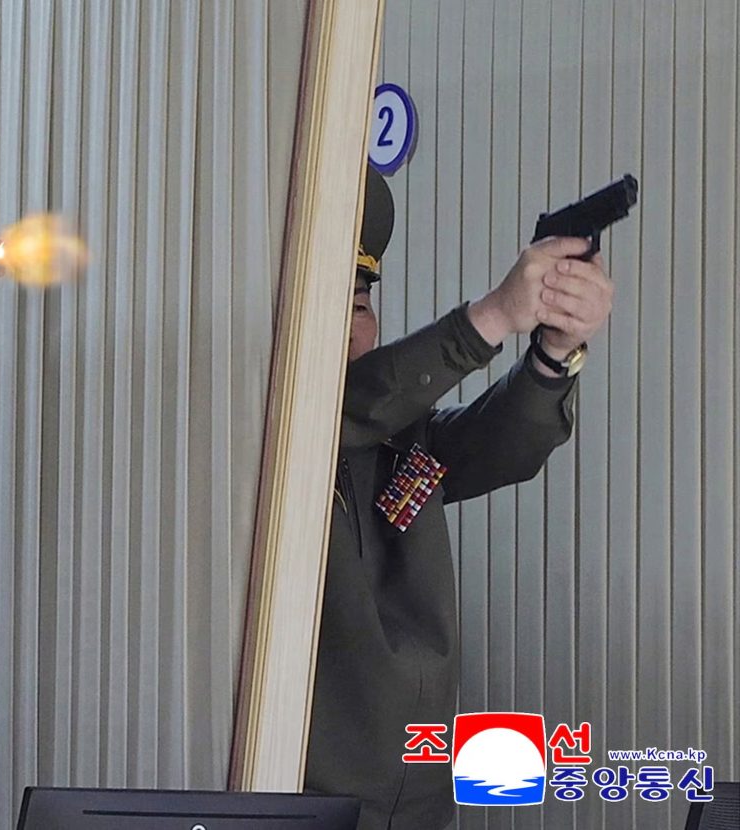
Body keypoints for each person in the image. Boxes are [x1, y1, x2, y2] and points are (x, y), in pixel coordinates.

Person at [304, 170, 614, 829]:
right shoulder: (260, 434)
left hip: (420, 804)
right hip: (300, 803)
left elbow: (498, 446)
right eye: (323, 304)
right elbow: (332, 413)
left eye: (359, 305)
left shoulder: (394, 436)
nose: (349, 329)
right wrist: (494, 315)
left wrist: (553, 354)